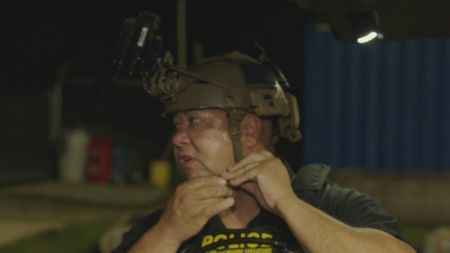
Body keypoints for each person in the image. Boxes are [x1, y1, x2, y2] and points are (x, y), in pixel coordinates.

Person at [113, 51, 415, 253]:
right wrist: (167, 233)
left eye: (194, 121)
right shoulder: (169, 220)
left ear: (249, 130)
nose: (178, 138)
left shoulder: (328, 204)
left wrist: (288, 205)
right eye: (177, 124)